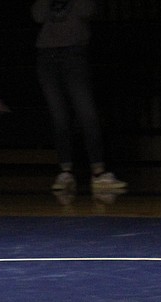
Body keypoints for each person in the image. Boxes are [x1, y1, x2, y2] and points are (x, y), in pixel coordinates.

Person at [31, 0, 126, 193]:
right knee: (59, 116)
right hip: (46, 56)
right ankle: (65, 171)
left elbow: (87, 9)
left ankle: (98, 172)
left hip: (74, 53)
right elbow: (37, 14)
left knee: (87, 114)